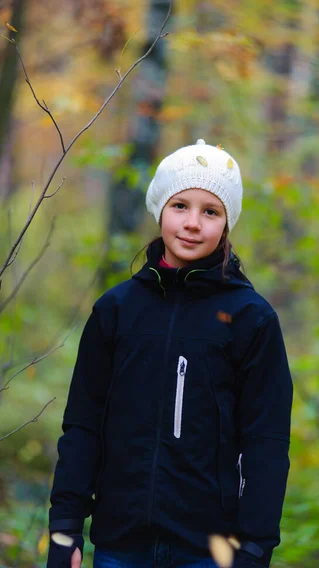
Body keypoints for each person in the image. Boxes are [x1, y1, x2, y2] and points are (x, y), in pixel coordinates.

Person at [47, 139, 293, 568]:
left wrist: (255, 546)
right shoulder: (117, 310)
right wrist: (65, 526)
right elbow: (83, 425)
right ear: (160, 209)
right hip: (119, 545)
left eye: (210, 211)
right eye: (180, 206)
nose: (193, 223)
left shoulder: (251, 318)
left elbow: (266, 441)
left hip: (211, 552)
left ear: (226, 222)